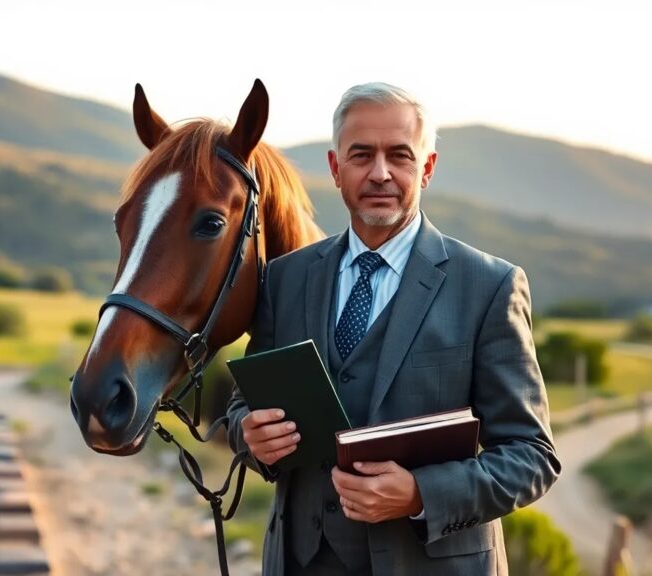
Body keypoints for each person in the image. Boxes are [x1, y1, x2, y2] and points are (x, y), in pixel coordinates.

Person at [226, 82, 561, 576]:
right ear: (335, 167)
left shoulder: (490, 286)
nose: (380, 173)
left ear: (426, 167)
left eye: (399, 155)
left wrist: (421, 494)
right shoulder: (283, 279)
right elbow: (242, 405)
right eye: (361, 155)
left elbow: (532, 456)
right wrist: (248, 435)